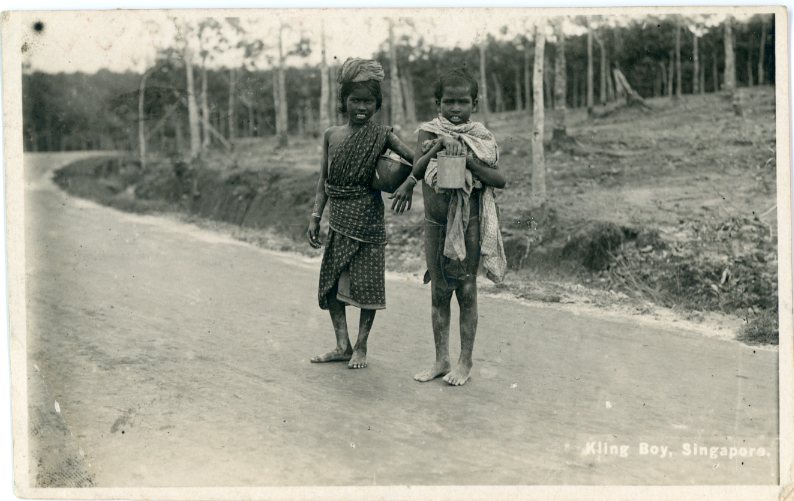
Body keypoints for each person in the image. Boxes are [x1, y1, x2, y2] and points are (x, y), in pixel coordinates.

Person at [390, 68, 507, 386]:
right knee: (439, 292)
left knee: (467, 292)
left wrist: (465, 158)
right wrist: (409, 184)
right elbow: (420, 164)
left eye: (462, 102)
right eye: (449, 102)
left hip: (468, 224)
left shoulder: (480, 137)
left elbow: (500, 180)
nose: (455, 109)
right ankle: (441, 359)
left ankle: (465, 362)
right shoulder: (427, 133)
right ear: (438, 103)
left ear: (475, 103)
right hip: (435, 225)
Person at [307, 58, 414, 369]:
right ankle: (342, 344)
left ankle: (361, 346)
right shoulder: (332, 135)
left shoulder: (382, 135)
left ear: (377, 104)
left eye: (368, 101)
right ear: (344, 101)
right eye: (355, 100)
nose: (361, 107)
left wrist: (409, 181)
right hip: (338, 218)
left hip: (368, 218)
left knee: (367, 283)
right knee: (331, 281)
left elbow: (415, 158)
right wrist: (316, 216)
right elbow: (323, 180)